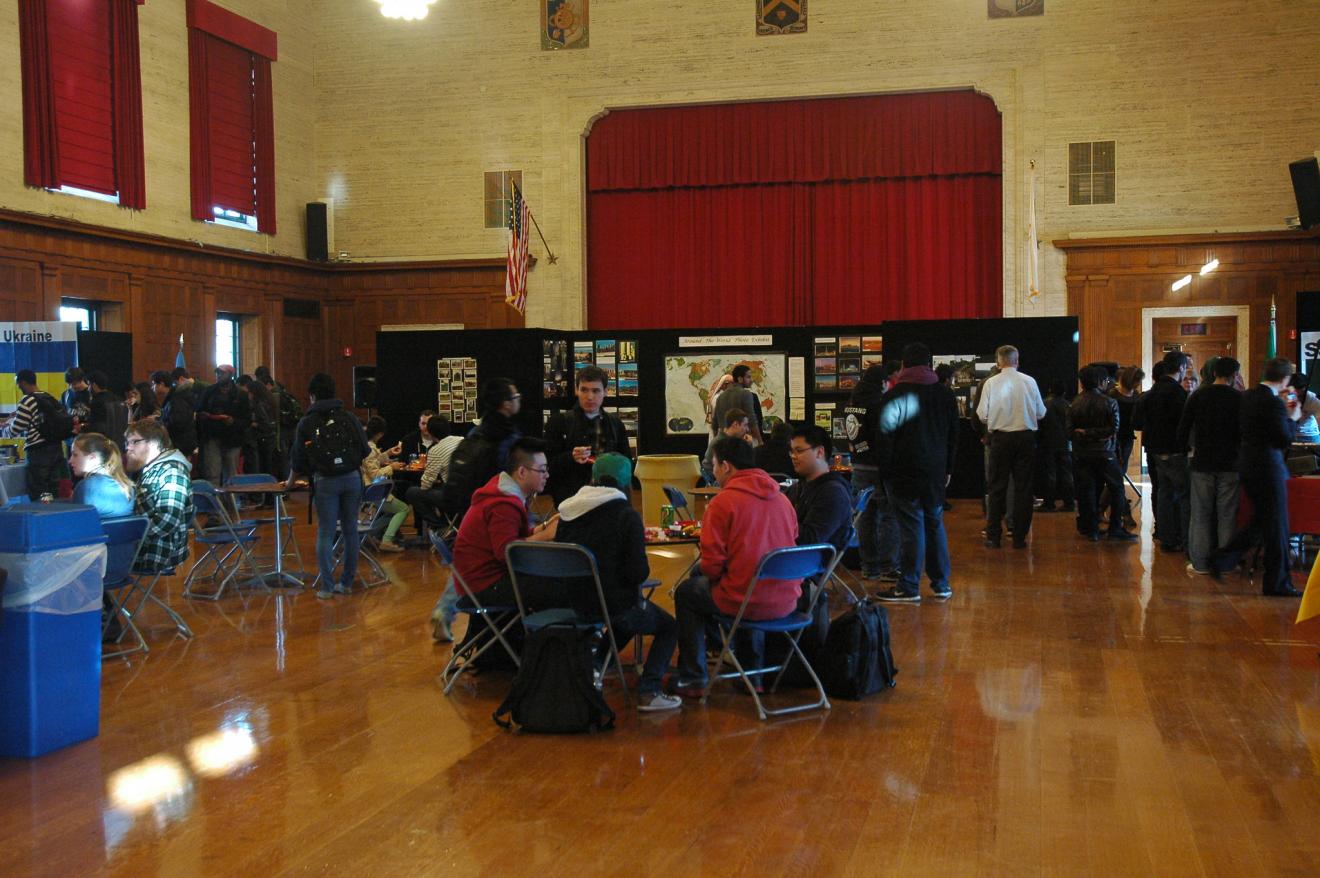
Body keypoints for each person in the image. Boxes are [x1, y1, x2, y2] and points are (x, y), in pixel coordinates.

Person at [672, 435, 798, 696]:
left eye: (715, 465)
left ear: (726, 466)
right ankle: (751, 675)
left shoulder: (722, 503)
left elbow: (712, 567)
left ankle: (694, 677)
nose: (713, 471)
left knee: (688, 592)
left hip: (744, 599)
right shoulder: (783, 500)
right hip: (787, 598)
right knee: (744, 581)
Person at [555, 453, 682, 712]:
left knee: (624, 616)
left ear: (593, 478)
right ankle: (650, 690)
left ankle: (597, 663)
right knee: (668, 626)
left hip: (573, 602)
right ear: (626, 483)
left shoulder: (567, 513)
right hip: (615, 605)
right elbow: (638, 574)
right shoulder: (626, 516)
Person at [872, 343, 959, 602]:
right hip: (934, 472)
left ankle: (909, 586)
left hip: (902, 472)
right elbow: (954, 436)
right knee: (934, 523)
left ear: (903, 366)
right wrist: (948, 469)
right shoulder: (945, 395)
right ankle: (941, 584)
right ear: (929, 364)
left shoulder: (892, 396)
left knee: (911, 527)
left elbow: (884, 438)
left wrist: (884, 473)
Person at [1211, 358, 1303, 596]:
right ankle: (1277, 584)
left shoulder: (1249, 396)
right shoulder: (1272, 403)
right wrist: (1292, 418)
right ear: (1285, 379)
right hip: (1268, 468)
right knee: (1277, 527)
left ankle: (1221, 559)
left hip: (1249, 465)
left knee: (1262, 522)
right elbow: (1282, 438)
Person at [450, 437, 560, 608]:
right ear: (522, 472)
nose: (547, 475)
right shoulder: (503, 504)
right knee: (560, 586)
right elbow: (506, 551)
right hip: (483, 585)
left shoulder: (502, 490)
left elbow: (511, 536)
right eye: (542, 470)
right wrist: (545, 535)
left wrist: (544, 526)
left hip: (475, 580)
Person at [288, 373, 371, 599]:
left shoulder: (306, 422)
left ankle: (326, 587)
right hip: (352, 478)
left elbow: (298, 459)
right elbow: (366, 449)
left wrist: (290, 483)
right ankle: (346, 583)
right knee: (350, 529)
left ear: (312, 395)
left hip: (325, 481)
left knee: (325, 531)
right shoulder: (349, 418)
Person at [975, 345, 1046, 548]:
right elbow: (1041, 412)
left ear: (998, 362)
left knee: (997, 487)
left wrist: (996, 419)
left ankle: (993, 536)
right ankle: (1019, 537)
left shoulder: (991, 383)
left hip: (1000, 439)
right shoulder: (1029, 381)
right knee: (1023, 489)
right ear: (1017, 360)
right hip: (1025, 438)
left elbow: (981, 414)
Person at [1177, 356, 1242, 574]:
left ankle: (1200, 563)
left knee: (1200, 514)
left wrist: (1186, 450)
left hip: (1202, 462)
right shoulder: (1238, 398)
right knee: (1227, 515)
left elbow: (1183, 428)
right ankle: (1226, 563)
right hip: (1231, 463)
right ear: (1234, 376)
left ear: (1214, 373)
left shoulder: (1198, 396)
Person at [1067, 366, 1138, 543]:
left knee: (1087, 491)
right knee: (1117, 489)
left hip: (1081, 454)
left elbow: (1069, 432)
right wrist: (1095, 434)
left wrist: (1084, 433)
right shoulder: (1109, 402)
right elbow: (1113, 429)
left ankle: (1091, 530)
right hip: (1106, 453)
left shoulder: (1074, 403)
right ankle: (1115, 528)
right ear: (1100, 382)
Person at [845, 362, 901, 581]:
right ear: (882, 382)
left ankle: (869, 567)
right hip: (880, 467)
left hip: (859, 466)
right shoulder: (880, 404)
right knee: (889, 515)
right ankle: (888, 566)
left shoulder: (852, 403)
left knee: (865, 518)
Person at [545, 365, 631, 506]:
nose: (590, 396)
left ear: (605, 392)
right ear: (576, 390)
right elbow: (548, 464)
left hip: (610, 499)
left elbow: (626, 462)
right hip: (572, 500)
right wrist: (570, 457)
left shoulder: (615, 424)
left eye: (596, 391)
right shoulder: (559, 423)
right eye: (584, 390)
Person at [1137, 350, 1192, 553]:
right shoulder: (1178, 393)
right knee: (1184, 496)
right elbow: (1183, 424)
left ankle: (1165, 537)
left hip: (1154, 450)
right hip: (1175, 450)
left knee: (1164, 493)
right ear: (1180, 368)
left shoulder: (1151, 392)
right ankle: (1185, 540)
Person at [122, 419, 193, 574]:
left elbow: (168, 520)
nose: (128, 448)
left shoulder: (172, 471)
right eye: (127, 443)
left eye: (134, 442)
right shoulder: (152, 469)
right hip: (144, 547)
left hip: (155, 553)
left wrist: (129, 537)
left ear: (153, 444)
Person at [784, 424, 853, 555]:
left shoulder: (833, 493)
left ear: (820, 452)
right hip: (788, 557)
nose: (793, 456)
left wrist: (777, 520)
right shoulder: (798, 488)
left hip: (805, 564)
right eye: (791, 451)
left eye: (799, 451)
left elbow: (811, 540)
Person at [0, 369, 66, 499]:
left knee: (39, 493)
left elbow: (15, 429)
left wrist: (4, 428)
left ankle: (41, 517)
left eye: (18, 384)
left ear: (23, 382)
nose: (18, 387)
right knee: (53, 491)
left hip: (38, 454)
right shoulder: (49, 398)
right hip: (56, 451)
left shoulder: (27, 401)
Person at [196, 364, 251, 486]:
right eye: (217, 373)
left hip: (232, 439)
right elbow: (199, 410)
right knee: (212, 473)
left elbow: (247, 420)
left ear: (230, 375)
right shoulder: (209, 392)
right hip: (212, 437)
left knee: (231, 476)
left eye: (222, 373)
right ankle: (214, 503)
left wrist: (233, 421)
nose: (218, 375)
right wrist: (203, 415)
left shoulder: (241, 395)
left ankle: (230, 504)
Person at [360, 416, 408, 553]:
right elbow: (374, 474)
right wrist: (392, 467)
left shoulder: (367, 445)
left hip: (370, 488)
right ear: (380, 434)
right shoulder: (369, 447)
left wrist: (388, 453)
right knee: (403, 509)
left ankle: (370, 533)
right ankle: (387, 540)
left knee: (391, 512)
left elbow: (373, 461)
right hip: (373, 489)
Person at [1108, 365, 1144, 529]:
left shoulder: (1135, 395)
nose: (1138, 385)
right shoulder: (1112, 395)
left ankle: (1101, 510)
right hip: (1112, 438)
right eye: (1137, 381)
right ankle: (1125, 513)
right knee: (1116, 476)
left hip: (1127, 438)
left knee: (1117, 476)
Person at [69, 432, 135, 518]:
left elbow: (76, 522)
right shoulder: (128, 487)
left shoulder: (86, 487)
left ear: (92, 458)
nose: (70, 461)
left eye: (75, 455)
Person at [1037, 378, 1076, 513]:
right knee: (1066, 473)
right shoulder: (1068, 405)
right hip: (1065, 443)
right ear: (1064, 392)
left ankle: (1049, 503)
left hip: (1047, 443)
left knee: (1050, 473)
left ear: (1049, 390)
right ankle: (1069, 502)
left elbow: (1038, 424)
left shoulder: (1044, 404)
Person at [711, 364, 765, 445]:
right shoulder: (746, 394)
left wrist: (717, 442)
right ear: (740, 379)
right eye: (748, 377)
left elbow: (715, 423)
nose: (751, 380)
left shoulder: (721, 396)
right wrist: (760, 441)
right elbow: (751, 418)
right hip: (742, 442)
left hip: (724, 442)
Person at [237, 374, 278, 479]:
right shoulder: (270, 401)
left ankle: (258, 493)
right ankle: (269, 493)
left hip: (261, 438)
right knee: (268, 468)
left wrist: (251, 423)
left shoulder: (258, 404)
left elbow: (263, 422)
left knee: (258, 468)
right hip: (270, 438)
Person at [83, 370, 128, 448]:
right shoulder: (118, 399)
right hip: (120, 443)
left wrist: (82, 428)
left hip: (104, 444)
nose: (88, 389)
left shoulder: (96, 402)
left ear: (94, 385)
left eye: (89, 384)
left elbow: (96, 426)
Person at [701, 408, 751, 479]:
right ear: (735, 424)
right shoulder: (720, 443)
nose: (747, 429)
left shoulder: (732, 441)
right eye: (745, 425)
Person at [160, 369, 199, 459]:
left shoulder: (178, 398)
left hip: (180, 442)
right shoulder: (183, 396)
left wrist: (163, 425)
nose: (172, 386)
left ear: (181, 379)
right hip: (185, 441)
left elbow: (178, 421)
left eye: (173, 383)